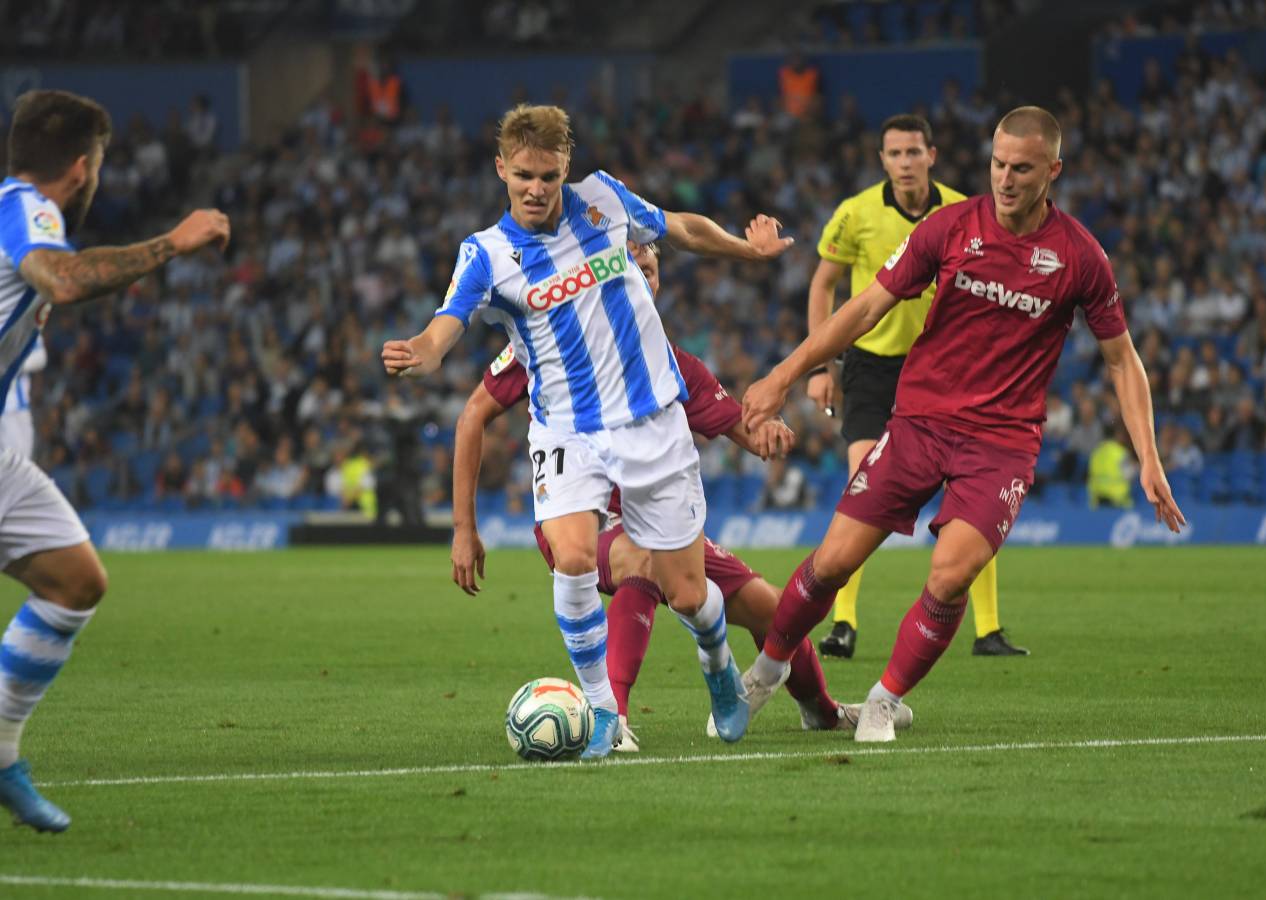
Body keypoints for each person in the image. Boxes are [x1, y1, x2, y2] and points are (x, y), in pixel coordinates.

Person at [740, 106, 1185, 742]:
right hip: (919, 423)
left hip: (1001, 445)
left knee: (950, 574)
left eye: (1022, 168)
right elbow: (863, 306)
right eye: (998, 164)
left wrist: (1149, 455)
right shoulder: (951, 228)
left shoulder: (1080, 256)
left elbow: (1122, 358)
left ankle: (883, 700)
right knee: (833, 561)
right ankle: (766, 668)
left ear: (1052, 170)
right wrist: (785, 373)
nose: (1005, 179)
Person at [382, 104, 792, 759]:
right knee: (573, 557)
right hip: (567, 431)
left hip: (653, 423)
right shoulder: (485, 254)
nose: (536, 188)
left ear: (566, 168)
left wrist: (749, 248)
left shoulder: (604, 199)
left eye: (547, 175)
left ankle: (717, 662)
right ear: (501, 170)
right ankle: (603, 712)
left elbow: (679, 227)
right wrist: (420, 353)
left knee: (690, 595)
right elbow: (444, 326)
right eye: (522, 175)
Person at [451, 243, 912, 752]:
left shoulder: (674, 364)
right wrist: (464, 528)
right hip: (586, 522)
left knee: (773, 611)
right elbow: (473, 413)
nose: (640, 280)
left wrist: (765, 433)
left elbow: (737, 423)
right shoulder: (549, 336)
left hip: (658, 520)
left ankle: (823, 713)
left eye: (649, 271)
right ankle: (613, 718)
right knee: (643, 561)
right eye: (630, 269)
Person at [0, 88, 229, 830]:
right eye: (98, 167)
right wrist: (174, 240)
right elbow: (63, 279)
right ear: (81, 167)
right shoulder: (27, 207)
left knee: (73, 580)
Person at [808, 113, 1026, 659]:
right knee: (863, 480)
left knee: (969, 496)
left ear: (931, 154)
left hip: (942, 371)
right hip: (871, 368)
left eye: (913, 152)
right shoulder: (853, 214)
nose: (904, 163)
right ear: (882, 160)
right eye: (894, 154)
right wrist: (820, 366)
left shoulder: (963, 211)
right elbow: (823, 285)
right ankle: (844, 623)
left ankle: (988, 629)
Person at [0, 336, 45, 458]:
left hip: (14, 407)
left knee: (21, 460)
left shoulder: (24, 319)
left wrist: (16, 364)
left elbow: (41, 356)